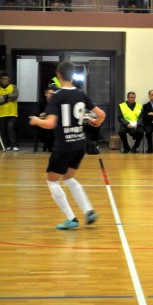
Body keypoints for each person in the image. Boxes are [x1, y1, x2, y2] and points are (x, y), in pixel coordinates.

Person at [29, 61, 106, 229]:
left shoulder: (57, 96)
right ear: (72, 75)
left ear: (58, 75)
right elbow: (101, 114)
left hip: (64, 146)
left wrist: (36, 120)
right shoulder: (80, 94)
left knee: (52, 181)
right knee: (68, 177)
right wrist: (96, 122)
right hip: (79, 145)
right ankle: (88, 211)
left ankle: (71, 218)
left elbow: (50, 123)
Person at [0, 73, 19, 152]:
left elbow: (15, 95)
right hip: (1, 113)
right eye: (4, 79)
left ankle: (14, 144)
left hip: (12, 112)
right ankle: (7, 144)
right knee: (3, 130)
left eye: (7, 79)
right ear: (0, 79)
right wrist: (8, 98)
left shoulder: (13, 87)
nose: (6, 80)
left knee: (11, 128)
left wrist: (4, 97)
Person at [36, 88, 55, 152]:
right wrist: (41, 114)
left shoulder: (56, 102)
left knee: (53, 132)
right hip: (44, 122)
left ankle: (50, 146)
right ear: (46, 94)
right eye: (50, 93)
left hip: (53, 122)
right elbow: (37, 113)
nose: (52, 95)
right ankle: (47, 144)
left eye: (53, 94)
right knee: (41, 132)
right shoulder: (42, 102)